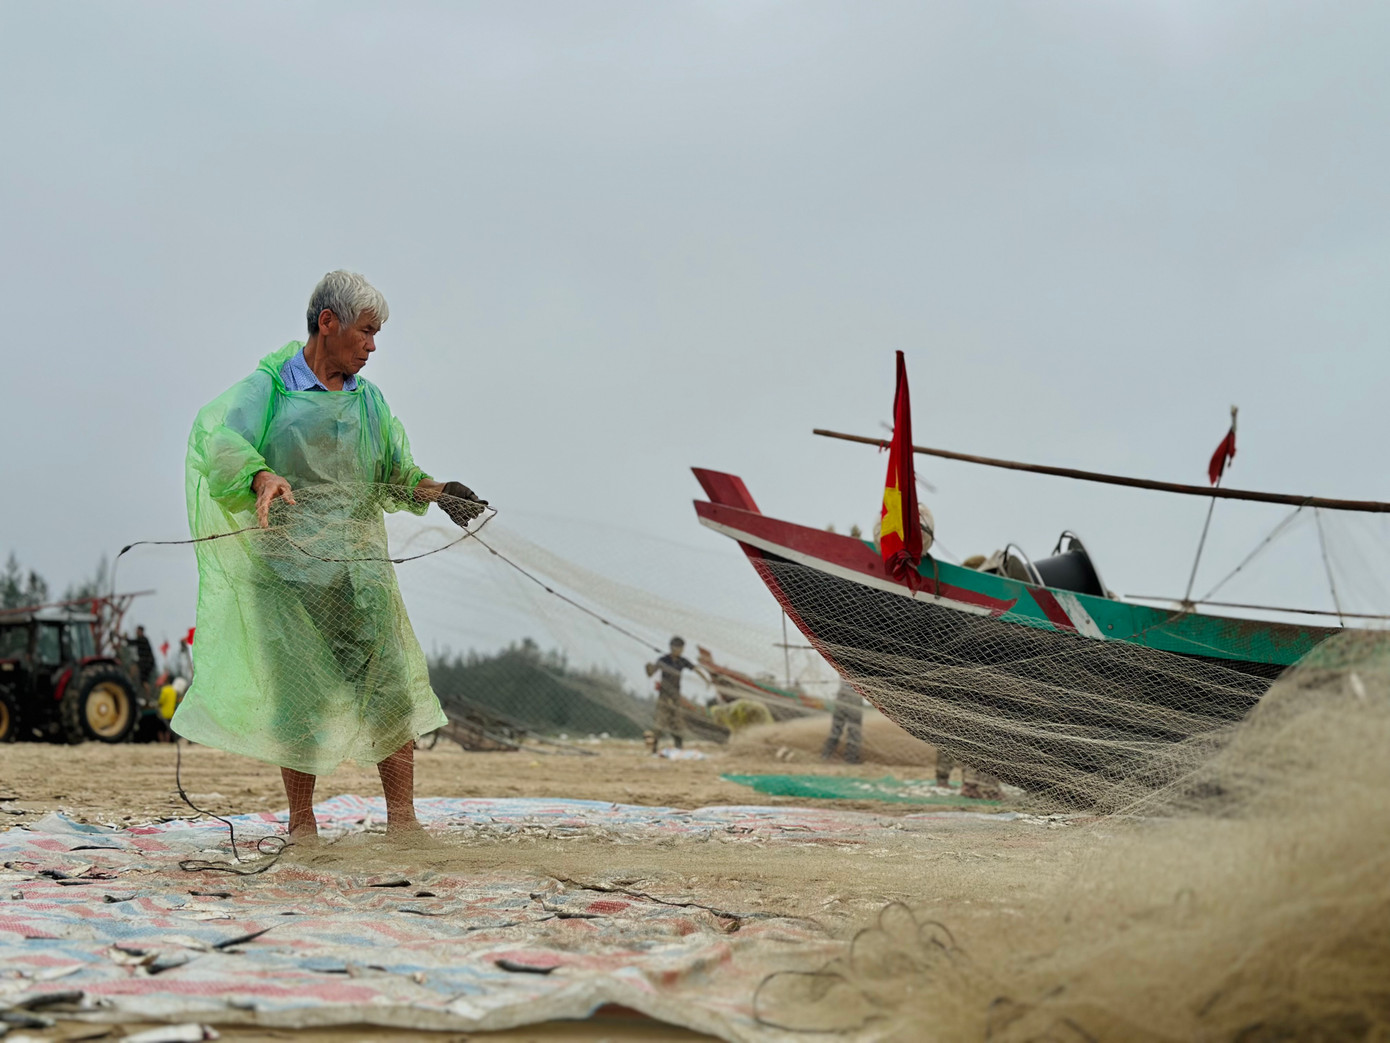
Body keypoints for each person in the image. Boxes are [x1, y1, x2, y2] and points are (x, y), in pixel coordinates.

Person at [171, 270, 486, 839]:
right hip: (286, 574)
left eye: (377, 335)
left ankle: (404, 822)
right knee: (300, 695)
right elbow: (222, 443)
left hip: (360, 571)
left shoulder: (370, 403)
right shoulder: (272, 388)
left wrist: (440, 494)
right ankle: (301, 824)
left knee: (390, 687)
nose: (372, 346)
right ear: (327, 323)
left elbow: (395, 476)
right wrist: (261, 474)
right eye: (366, 331)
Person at [644, 637, 708, 753]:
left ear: (682, 649)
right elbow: (651, 673)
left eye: (680, 648)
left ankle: (678, 747)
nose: (677, 650)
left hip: (675, 696)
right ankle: (654, 748)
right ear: (671, 647)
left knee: (676, 722)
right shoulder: (663, 660)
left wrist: (706, 680)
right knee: (660, 721)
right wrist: (648, 668)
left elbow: (695, 669)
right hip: (664, 695)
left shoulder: (682, 661)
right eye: (675, 647)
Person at [821, 679, 864, 764]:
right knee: (854, 730)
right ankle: (851, 759)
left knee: (836, 729)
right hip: (854, 695)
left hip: (842, 695)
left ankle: (826, 755)